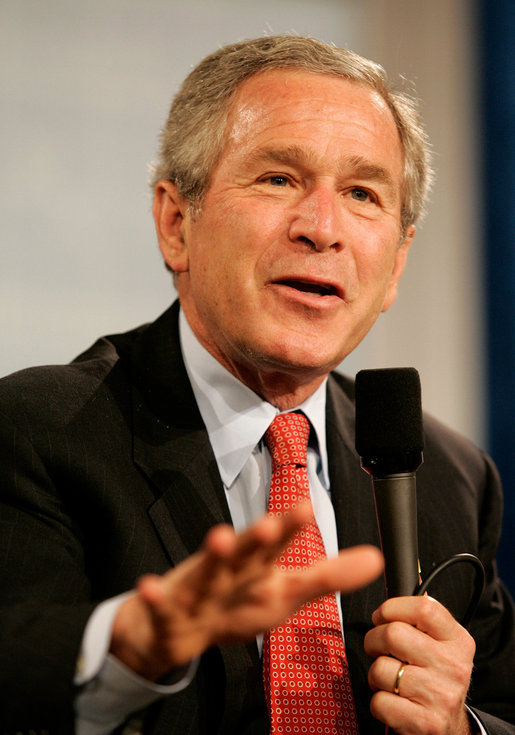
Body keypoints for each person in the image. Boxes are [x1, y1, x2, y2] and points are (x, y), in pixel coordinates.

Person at [0, 35, 513, 735]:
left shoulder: (449, 476)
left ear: (395, 264)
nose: (321, 228)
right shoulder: (39, 430)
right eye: (277, 178)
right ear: (176, 223)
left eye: (362, 193)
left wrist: (461, 726)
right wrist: (130, 649)